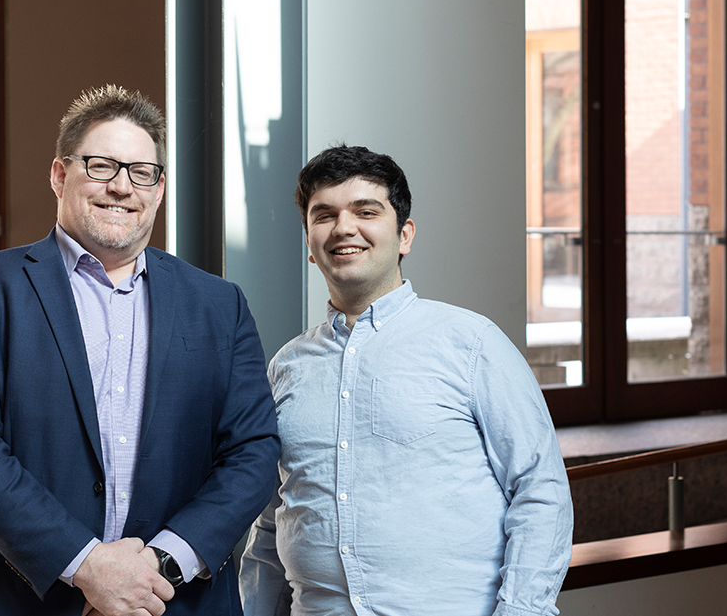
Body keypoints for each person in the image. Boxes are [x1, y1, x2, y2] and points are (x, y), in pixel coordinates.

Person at [0, 85, 280, 616]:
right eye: (102, 166)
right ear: (60, 175)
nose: (122, 186)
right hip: (5, 597)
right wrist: (87, 566)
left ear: (159, 188)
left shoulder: (220, 304)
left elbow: (254, 449)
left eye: (141, 172)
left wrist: (156, 569)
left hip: (170, 600)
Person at [239, 145, 573, 616]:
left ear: (405, 235)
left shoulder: (472, 344)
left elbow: (540, 490)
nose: (344, 228)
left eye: (366, 211)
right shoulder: (286, 367)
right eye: (324, 215)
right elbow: (273, 522)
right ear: (309, 245)